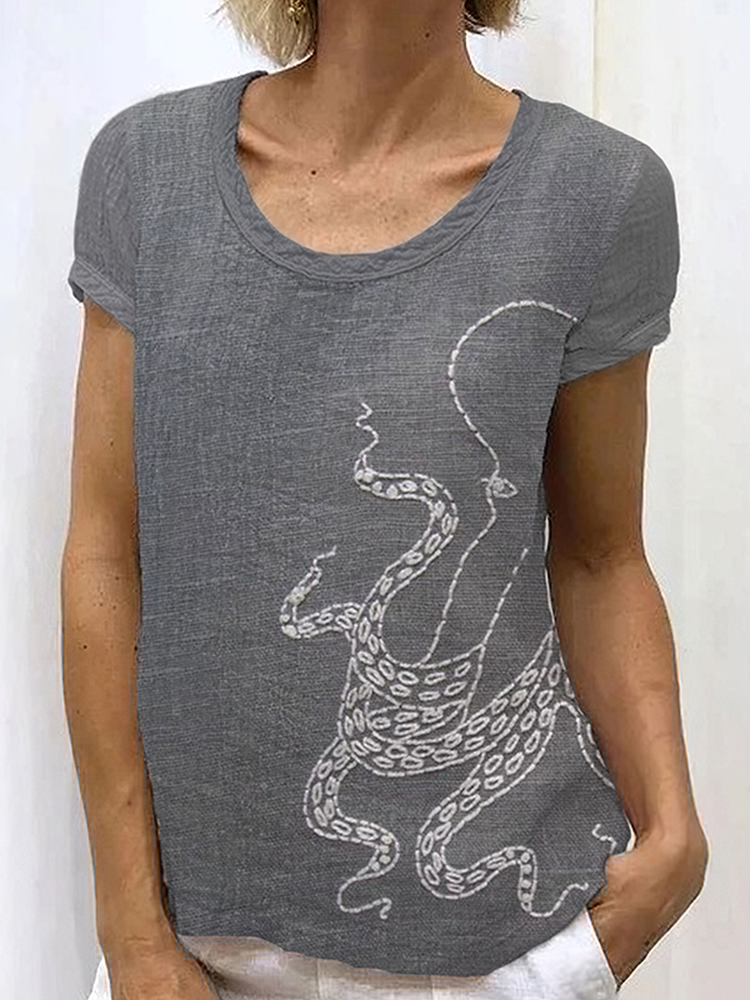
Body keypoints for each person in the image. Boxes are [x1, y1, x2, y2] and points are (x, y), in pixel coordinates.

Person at [62, 1, 709, 998]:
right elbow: (107, 547)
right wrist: (132, 930)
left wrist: (672, 847)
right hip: (192, 949)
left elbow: (599, 554)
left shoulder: (598, 193)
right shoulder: (148, 170)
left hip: (495, 953)